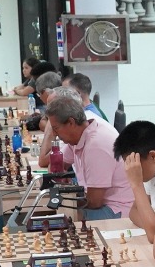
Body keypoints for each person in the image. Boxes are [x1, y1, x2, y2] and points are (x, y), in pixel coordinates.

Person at [45, 92, 132, 220]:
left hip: (117, 209)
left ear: (71, 123)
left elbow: (94, 202)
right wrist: (59, 179)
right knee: (56, 209)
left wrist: (64, 200)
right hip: (99, 200)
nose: (54, 134)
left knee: (64, 217)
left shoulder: (96, 145)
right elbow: (57, 164)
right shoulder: (78, 135)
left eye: (56, 128)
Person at [113, 120, 155, 232]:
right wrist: (151, 225)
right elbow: (133, 212)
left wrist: (136, 184)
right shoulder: (153, 173)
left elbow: (154, 232)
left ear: (153, 157)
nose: (130, 168)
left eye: (134, 162)